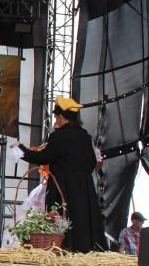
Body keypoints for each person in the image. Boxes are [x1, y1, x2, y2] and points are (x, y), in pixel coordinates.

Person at [11, 96, 106, 253]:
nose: (56, 120)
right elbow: (91, 162)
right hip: (84, 188)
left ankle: (64, 249)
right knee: (83, 219)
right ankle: (86, 251)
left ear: (62, 117)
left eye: (56, 117)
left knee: (63, 218)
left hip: (63, 187)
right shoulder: (85, 137)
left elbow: (44, 157)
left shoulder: (58, 136)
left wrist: (22, 149)